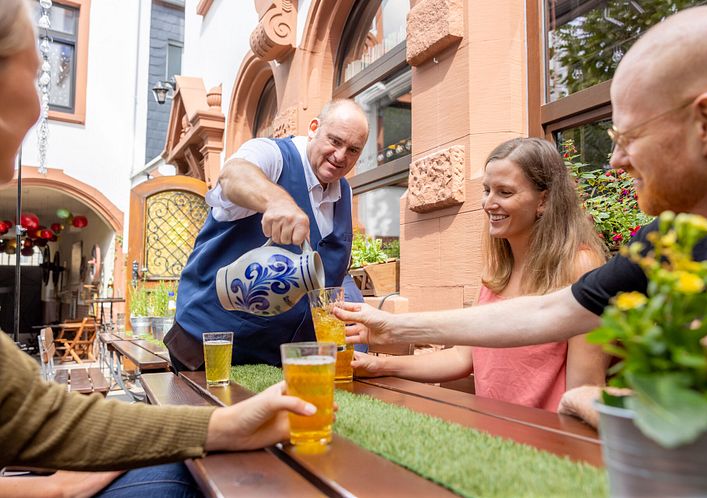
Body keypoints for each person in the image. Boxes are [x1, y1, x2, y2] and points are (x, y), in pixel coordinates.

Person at [334, 5, 707, 423]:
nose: (617, 160)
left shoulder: (587, 257)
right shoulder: (671, 239)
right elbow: (551, 312)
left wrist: (597, 402)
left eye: (630, 136)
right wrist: (392, 329)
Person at [0, 0, 319, 494]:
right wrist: (54, 489)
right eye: (38, 67)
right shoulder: (269, 160)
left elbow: (33, 414)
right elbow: (234, 174)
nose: (43, 99)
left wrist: (227, 428)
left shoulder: (339, 199)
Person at [351, 138, 608, 410]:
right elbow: (463, 358)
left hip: (547, 444)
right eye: (487, 190)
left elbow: (584, 390)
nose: (488, 203)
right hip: (492, 437)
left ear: (543, 200)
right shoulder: (498, 270)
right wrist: (379, 364)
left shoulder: (579, 265)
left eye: (505, 193)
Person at [165, 99, 369, 371]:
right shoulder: (272, 154)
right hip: (206, 349)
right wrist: (276, 201)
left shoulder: (344, 193)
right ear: (314, 128)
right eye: (335, 141)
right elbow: (233, 174)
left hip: (276, 362)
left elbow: (336, 274)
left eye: (353, 150)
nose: (341, 156)